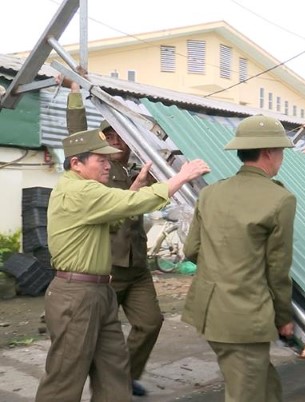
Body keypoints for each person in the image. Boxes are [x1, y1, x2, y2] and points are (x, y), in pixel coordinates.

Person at [35, 128, 210, 401]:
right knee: (65, 378)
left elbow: (116, 218)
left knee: (114, 371)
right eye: (100, 160)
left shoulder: (87, 190)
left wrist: (136, 185)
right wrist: (182, 176)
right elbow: (133, 203)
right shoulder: (80, 190)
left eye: (107, 159)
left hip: (99, 291)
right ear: (76, 164)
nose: (108, 164)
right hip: (77, 295)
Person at [182, 115, 297, 402]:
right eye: (281, 152)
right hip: (245, 318)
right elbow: (277, 268)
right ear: (269, 153)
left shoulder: (210, 193)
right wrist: (283, 318)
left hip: (210, 313)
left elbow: (191, 250)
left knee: (265, 387)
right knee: (247, 392)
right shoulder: (279, 199)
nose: (281, 158)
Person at [65, 84, 161, 396]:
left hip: (137, 266)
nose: (118, 142)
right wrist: (76, 94)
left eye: (122, 136)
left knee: (151, 322)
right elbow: (76, 137)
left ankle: (124, 377)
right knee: (94, 336)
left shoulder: (141, 166)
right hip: (109, 268)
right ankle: (99, 385)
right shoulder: (98, 171)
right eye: (112, 136)